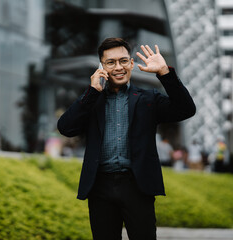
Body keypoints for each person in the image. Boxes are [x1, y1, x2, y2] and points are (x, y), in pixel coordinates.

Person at [57, 38, 196, 239]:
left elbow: (186, 109)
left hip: (138, 186)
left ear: (131, 64)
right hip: (100, 188)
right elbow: (65, 128)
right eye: (110, 62)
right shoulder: (92, 100)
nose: (118, 67)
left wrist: (164, 73)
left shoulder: (148, 99)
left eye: (123, 61)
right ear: (101, 66)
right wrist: (92, 91)